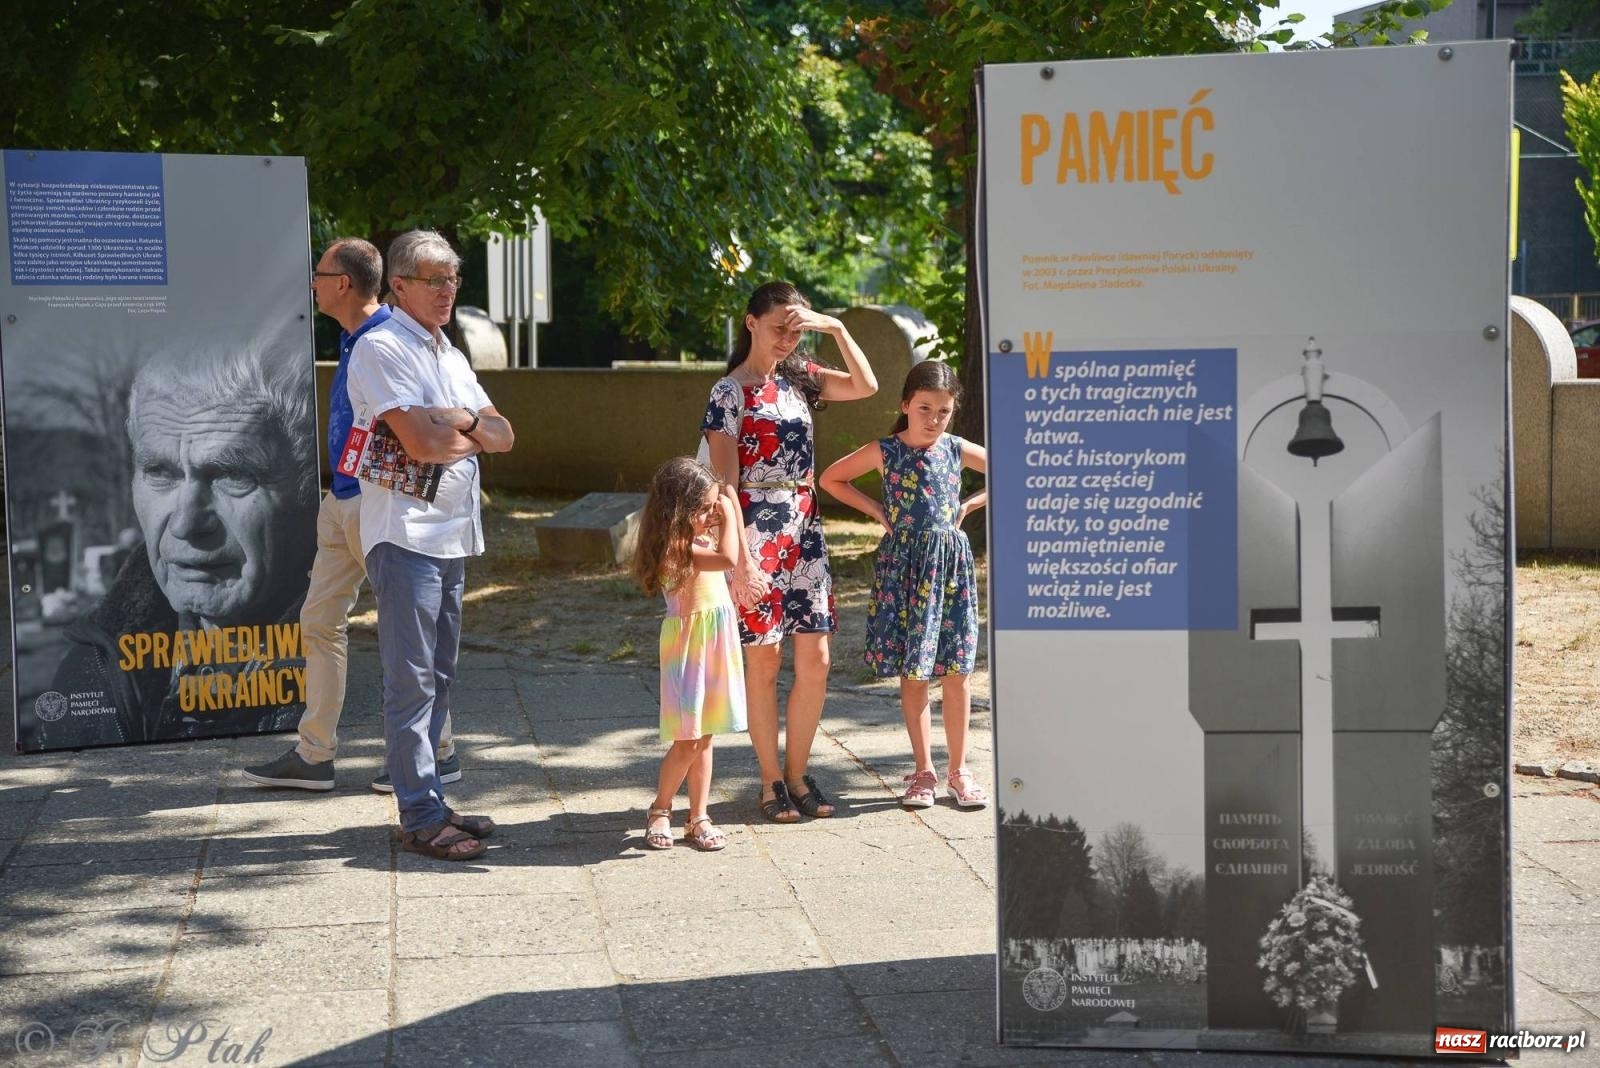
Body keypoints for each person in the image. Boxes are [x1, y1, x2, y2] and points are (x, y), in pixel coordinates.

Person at [243, 238, 461, 793]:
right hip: (341, 499)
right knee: (319, 620)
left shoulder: (393, 338)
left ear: (342, 283)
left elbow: (433, 426)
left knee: (405, 633)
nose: (310, 283)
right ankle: (315, 754)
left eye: (318, 274)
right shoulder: (353, 337)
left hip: (379, 501)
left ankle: (436, 751)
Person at [44, 342, 320, 749]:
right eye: (160, 472)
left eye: (232, 475)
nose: (187, 524)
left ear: (306, 491)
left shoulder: (335, 668)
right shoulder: (93, 665)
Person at [345, 229, 514, 861]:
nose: (447, 291)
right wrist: (464, 432)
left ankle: (434, 799)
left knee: (439, 678)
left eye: (453, 280)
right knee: (410, 681)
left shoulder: (448, 352)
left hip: (451, 535)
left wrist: (462, 422)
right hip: (407, 536)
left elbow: (504, 434)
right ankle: (418, 816)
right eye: (432, 280)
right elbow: (422, 445)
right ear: (398, 285)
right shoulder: (383, 347)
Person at [701, 281, 877, 822]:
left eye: (795, 329)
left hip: (804, 526)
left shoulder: (800, 380)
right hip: (755, 528)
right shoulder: (728, 392)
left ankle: (800, 775)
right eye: (779, 327)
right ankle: (771, 780)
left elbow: (867, 386)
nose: (786, 339)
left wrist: (836, 328)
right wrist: (741, 561)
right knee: (764, 659)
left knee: (817, 659)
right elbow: (726, 481)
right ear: (750, 322)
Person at [819, 360, 989, 809]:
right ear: (906, 405)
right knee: (914, 670)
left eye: (944, 411)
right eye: (925, 408)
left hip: (950, 570)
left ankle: (959, 770)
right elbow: (831, 478)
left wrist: (972, 503)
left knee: (957, 670)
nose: (934, 419)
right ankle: (923, 772)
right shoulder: (885, 450)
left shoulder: (955, 449)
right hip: (906, 569)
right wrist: (877, 511)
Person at [632, 457, 748, 851]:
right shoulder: (674, 547)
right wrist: (730, 514)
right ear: (676, 510)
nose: (708, 516)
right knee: (688, 739)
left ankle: (698, 815)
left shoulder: (697, 537)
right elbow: (729, 559)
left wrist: (716, 514)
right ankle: (660, 808)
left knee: (706, 735)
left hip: (715, 640)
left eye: (710, 508)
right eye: (701, 509)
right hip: (690, 648)